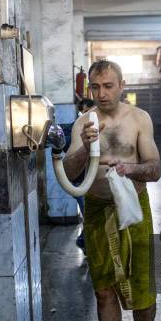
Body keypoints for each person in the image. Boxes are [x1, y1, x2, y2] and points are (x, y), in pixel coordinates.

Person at [63, 60, 161, 321]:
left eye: (108, 85)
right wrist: (88, 148)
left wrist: (127, 169)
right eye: (96, 86)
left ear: (122, 85)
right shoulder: (83, 123)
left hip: (133, 206)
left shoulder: (139, 119)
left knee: (143, 286)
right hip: (96, 209)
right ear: (89, 88)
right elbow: (69, 171)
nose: (102, 92)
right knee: (104, 290)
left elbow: (155, 169)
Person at [73, 98, 95, 253]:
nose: (87, 115)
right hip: (80, 182)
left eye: (89, 111)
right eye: (84, 112)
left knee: (88, 215)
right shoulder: (79, 128)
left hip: (90, 184)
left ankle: (84, 240)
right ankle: (85, 241)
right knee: (89, 215)